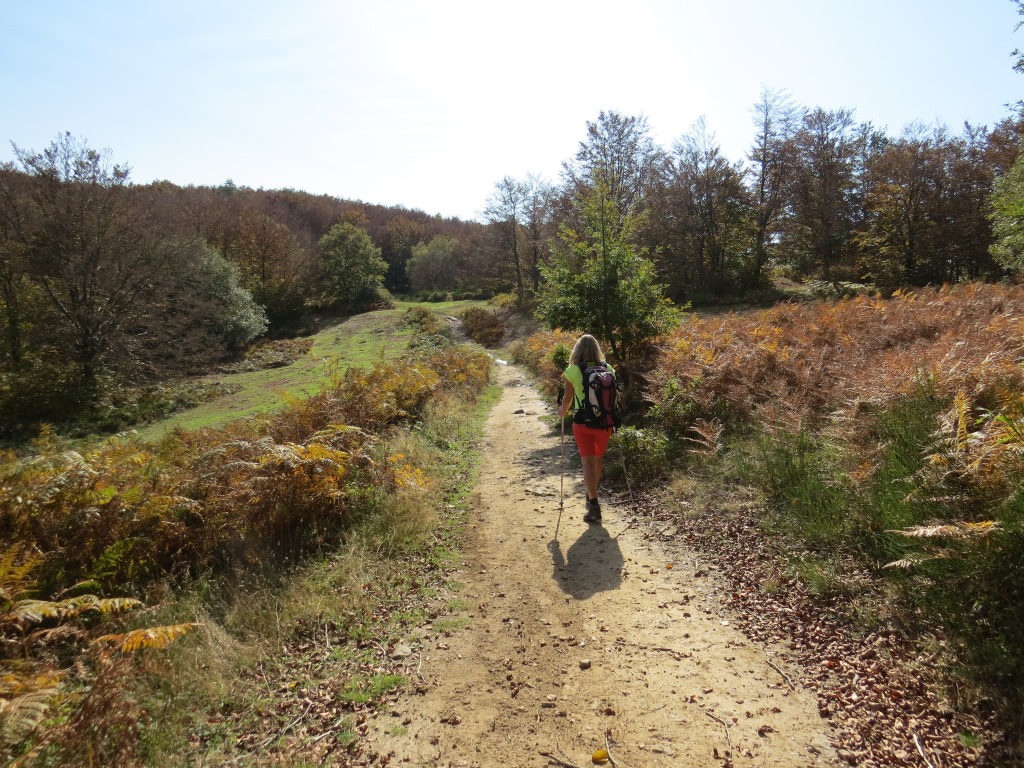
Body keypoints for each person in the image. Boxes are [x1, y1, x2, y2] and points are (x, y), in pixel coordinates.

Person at [558, 334, 615, 524]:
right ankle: (592, 495)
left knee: (587, 462)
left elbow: (567, 400)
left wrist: (562, 411)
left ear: (577, 350)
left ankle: (593, 504)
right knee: (597, 460)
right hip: (605, 422)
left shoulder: (573, 370)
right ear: (596, 349)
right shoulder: (608, 369)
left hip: (583, 422)